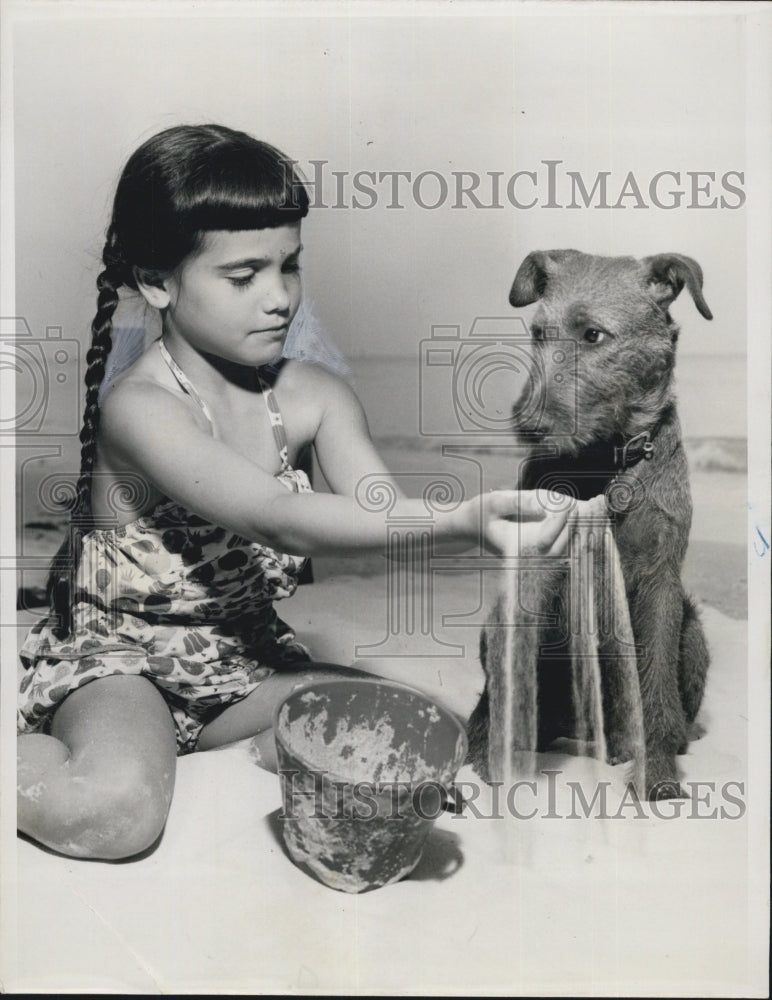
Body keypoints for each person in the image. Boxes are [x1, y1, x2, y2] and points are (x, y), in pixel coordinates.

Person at [17, 124, 581, 861]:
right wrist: (466, 520)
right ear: (158, 281)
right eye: (244, 276)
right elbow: (279, 517)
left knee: (409, 730)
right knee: (118, 815)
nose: (279, 298)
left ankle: (253, 751)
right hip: (128, 665)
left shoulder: (315, 397)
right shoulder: (142, 406)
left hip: (245, 665)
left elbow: (377, 516)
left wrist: (497, 527)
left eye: (290, 266)